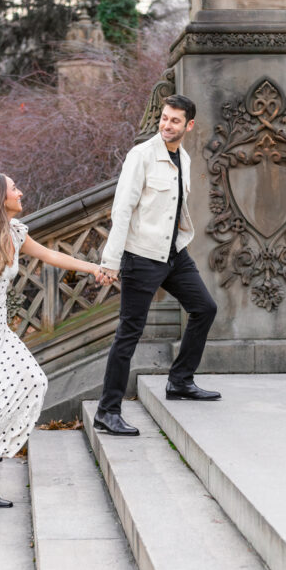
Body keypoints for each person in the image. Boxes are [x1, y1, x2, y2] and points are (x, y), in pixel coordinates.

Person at [0, 173, 111, 507]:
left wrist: (93, 268)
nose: (20, 192)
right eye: (13, 189)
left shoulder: (14, 232)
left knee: (31, 380)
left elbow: (52, 256)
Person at [95, 94, 220, 437]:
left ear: (189, 125)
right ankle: (108, 411)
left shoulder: (185, 157)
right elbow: (122, 209)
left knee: (205, 308)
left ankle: (180, 381)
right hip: (141, 256)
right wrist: (111, 261)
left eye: (175, 121)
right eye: (164, 118)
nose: (167, 125)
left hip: (174, 254)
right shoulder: (142, 156)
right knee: (129, 334)